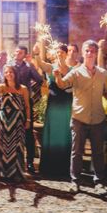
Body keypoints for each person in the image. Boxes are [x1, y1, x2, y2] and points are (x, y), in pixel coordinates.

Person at [54, 40, 107, 194]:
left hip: (98, 119)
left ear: (95, 53)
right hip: (79, 117)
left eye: (93, 50)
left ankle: (99, 182)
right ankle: (75, 181)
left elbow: (105, 91)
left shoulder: (102, 73)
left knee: (98, 152)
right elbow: (62, 84)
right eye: (87, 50)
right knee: (76, 152)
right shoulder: (76, 72)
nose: (90, 53)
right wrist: (58, 77)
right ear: (83, 53)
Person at [32, 42, 73, 176]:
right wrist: (37, 54)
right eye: (57, 51)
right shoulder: (51, 67)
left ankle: (62, 168)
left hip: (65, 103)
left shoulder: (71, 70)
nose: (59, 53)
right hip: (53, 102)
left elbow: (71, 87)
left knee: (63, 132)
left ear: (66, 53)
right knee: (52, 132)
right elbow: (41, 65)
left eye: (62, 52)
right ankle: (49, 167)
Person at [0, 65, 30, 183]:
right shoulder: (2, 87)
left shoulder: (23, 88)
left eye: (11, 72)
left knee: (17, 146)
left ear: (15, 74)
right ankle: (1, 172)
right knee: (2, 146)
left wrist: (28, 120)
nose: (9, 74)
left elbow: (27, 106)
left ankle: (16, 173)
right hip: (3, 120)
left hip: (17, 120)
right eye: (6, 72)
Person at [11, 45, 43, 174]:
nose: (17, 54)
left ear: (24, 55)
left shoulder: (28, 67)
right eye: (16, 52)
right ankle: (13, 161)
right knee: (12, 132)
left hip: (25, 103)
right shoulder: (9, 66)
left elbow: (39, 80)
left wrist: (32, 65)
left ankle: (29, 162)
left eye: (20, 52)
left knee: (28, 133)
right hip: (12, 102)